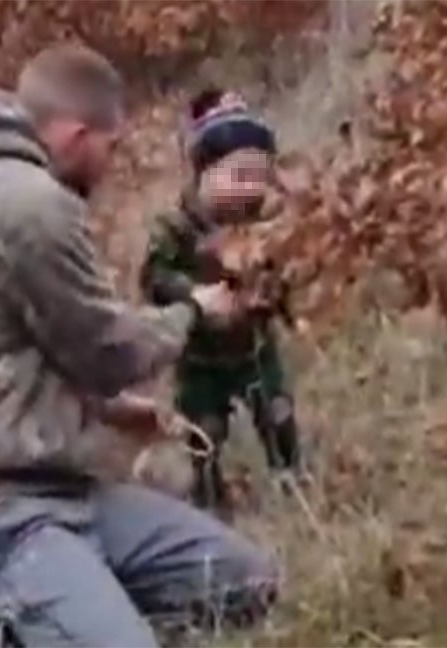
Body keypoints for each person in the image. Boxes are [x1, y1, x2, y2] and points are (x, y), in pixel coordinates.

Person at [0, 45, 276, 647]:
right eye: (111, 147)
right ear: (75, 134)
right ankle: (4, 615)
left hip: (58, 487)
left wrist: (110, 410)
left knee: (247, 585)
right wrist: (192, 314)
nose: (111, 165)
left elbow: (11, 351)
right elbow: (108, 351)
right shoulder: (31, 203)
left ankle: (68, 600)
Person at [139, 89, 304, 514]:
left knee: (277, 412)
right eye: (238, 176)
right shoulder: (177, 227)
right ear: (205, 173)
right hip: (200, 355)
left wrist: (283, 305)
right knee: (205, 430)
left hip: (254, 347)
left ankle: (291, 478)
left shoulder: (263, 223)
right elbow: (153, 277)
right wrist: (192, 294)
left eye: (258, 177)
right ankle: (210, 501)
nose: (249, 188)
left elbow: (282, 273)